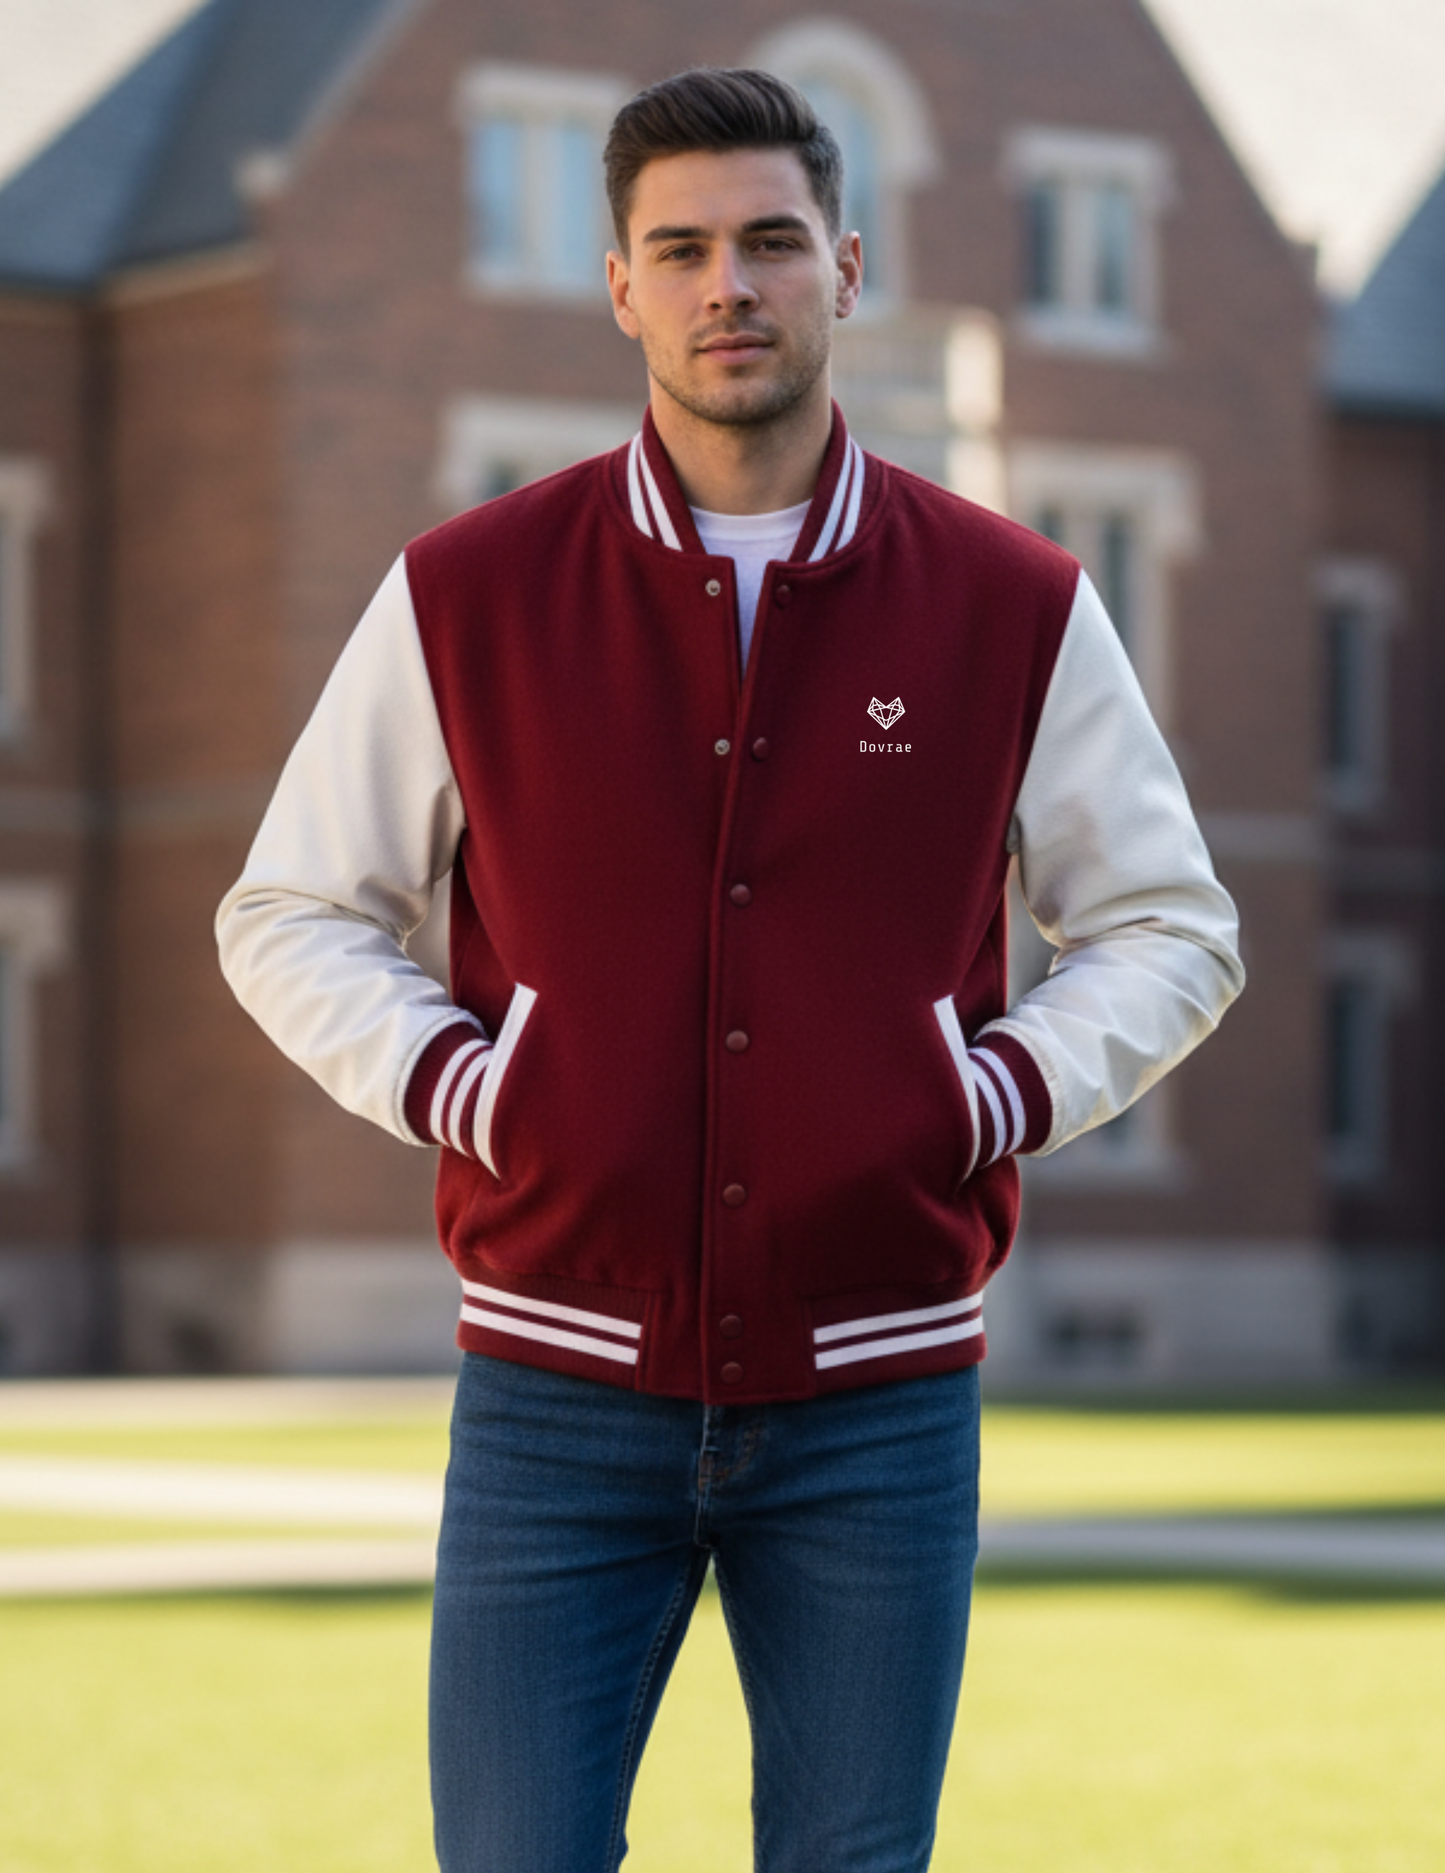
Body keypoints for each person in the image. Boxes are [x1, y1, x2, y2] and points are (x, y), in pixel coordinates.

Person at [217, 66, 1243, 1873]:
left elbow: (1176, 927)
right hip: (556, 1395)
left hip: (879, 1397)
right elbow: (288, 911)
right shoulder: (470, 593)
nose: (728, 286)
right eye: (679, 249)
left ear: (845, 266)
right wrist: (479, 1085)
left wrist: (982, 1092)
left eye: (771, 242)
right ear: (619, 286)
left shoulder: (1011, 602)